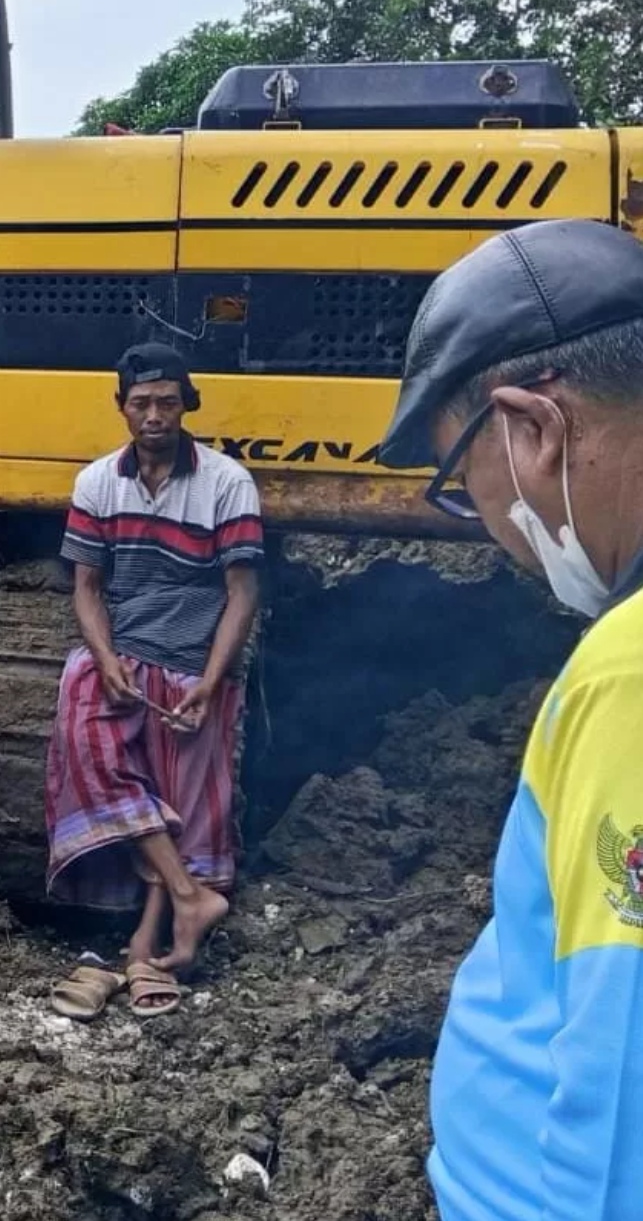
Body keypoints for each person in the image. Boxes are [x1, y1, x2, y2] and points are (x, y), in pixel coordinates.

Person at [375, 217, 643, 1221]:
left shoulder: (628, 671)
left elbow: (623, 1068)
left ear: (531, 428)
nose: (488, 527)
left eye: (459, 481)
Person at [44, 343, 262, 1020]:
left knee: (180, 790)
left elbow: (242, 591)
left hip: (193, 661)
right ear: (121, 408)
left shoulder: (226, 482)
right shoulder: (97, 482)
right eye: (140, 402)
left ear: (186, 404)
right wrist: (103, 654)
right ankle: (189, 897)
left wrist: (210, 679)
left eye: (167, 401)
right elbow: (85, 587)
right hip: (123, 654)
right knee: (89, 750)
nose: (154, 414)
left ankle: (143, 945)